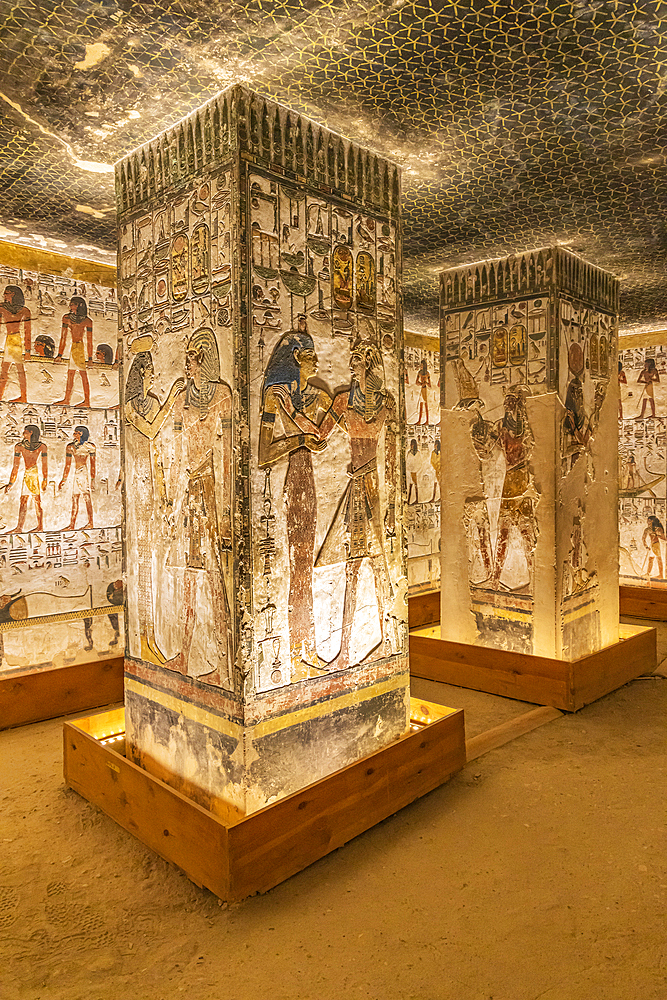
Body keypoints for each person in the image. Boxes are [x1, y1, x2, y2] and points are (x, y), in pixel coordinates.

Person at [314, 341, 398, 670]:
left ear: (371, 364)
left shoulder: (386, 403)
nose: (354, 364)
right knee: (353, 567)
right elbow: (320, 436)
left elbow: (392, 453)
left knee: (373, 567)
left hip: (372, 488)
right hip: (357, 487)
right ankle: (348, 649)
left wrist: (393, 504)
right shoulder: (343, 399)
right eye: (354, 358)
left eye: (361, 359)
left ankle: (382, 643)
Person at [258, 316, 330, 681]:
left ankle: (306, 645)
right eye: (308, 355)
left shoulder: (312, 395)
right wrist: (301, 440)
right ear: (295, 357)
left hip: (310, 480)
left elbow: (324, 431)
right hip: (294, 481)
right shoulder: (277, 395)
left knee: (306, 567)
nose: (315, 361)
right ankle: (297, 648)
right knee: (299, 567)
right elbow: (263, 452)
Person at [167, 327, 235, 687]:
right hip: (190, 492)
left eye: (193, 363)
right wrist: (173, 499)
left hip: (210, 487)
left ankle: (225, 663)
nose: (188, 369)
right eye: (187, 363)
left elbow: (225, 454)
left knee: (216, 580)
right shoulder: (182, 399)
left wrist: (224, 510)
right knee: (189, 578)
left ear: (205, 363)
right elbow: (179, 452)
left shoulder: (222, 395)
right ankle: (184, 650)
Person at [124, 337, 185, 666]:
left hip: (152, 481)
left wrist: (166, 492)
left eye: (152, 373)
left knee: (153, 564)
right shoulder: (134, 406)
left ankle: (151, 638)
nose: (152, 378)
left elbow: (160, 451)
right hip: (138, 483)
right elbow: (149, 432)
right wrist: (171, 399)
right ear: (139, 375)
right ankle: (145, 640)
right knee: (144, 564)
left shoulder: (152, 402)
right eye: (148, 372)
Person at [471, 386, 536, 590]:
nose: (508, 407)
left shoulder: (525, 427)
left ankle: (534, 577)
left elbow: (532, 449)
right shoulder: (500, 426)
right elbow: (487, 449)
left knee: (526, 533)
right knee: (503, 533)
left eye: (511, 403)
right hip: (509, 482)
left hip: (522, 480)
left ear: (517, 405)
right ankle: (495, 579)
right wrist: (477, 433)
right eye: (506, 403)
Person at [1, 425, 48, 532]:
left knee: (36, 501)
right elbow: (15, 466)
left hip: (33, 474)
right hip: (28, 474)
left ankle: (40, 527)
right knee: (24, 500)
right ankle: (19, 527)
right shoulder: (19, 446)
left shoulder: (41, 446)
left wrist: (45, 480)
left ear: (31, 433)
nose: (23, 433)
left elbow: (45, 465)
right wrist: (11, 483)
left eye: (25, 432)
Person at [55, 296, 93, 406]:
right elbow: (63, 337)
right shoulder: (66, 318)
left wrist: (90, 358)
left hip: (80, 348)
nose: (70, 306)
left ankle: (87, 401)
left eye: (73, 304)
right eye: (71, 304)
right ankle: (67, 399)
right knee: (70, 373)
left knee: (82, 373)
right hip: (73, 347)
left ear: (79, 306)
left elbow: (89, 341)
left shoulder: (87, 321)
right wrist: (59, 354)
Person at [58, 425, 96, 530]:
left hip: (83, 473)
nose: (74, 434)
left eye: (77, 432)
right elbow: (68, 465)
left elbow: (93, 465)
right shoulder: (70, 447)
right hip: (76, 474)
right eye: (74, 432)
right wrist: (64, 479)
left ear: (82, 434)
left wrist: (92, 480)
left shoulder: (90, 446)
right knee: (75, 498)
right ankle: (72, 525)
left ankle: (90, 523)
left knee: (86, 498)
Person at [0, 285, 31, 403]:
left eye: (6, 293)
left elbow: (28, 331)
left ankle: (23, 397)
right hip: (9, 339)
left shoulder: (24, 310)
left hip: (16, 340)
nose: (4, 295)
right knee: (9, 369)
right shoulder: (2, 308)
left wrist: (27, 351)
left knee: (15, 369)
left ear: (13, 294)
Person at [643, 515, 666, 580]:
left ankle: (661, 574)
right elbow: (643, 538)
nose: (647, 522)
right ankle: (648, 573)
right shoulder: (647, 529)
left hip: (656, 545)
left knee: (659, 559)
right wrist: (646, 546)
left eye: (649, 520)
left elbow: (664, 538)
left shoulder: (658, 529)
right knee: (651, 559)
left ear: (652, 521)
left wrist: (658, 535)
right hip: (652, 545)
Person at [415, 358, 431, 424]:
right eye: (420, 365)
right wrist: (421, 383)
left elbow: (429, 385)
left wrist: (426, 383)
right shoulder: (419, 373)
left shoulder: (427, 373)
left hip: (426, 390)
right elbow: (416, 382)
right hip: (421, 389)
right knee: (421, 405)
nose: (421, 367)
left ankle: (427, 420)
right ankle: (419, 420)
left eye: (422, 365)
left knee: (426, 405)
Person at [406, 438, 420, 504]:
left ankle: (416, 499)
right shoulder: (409, 453)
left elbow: (420, 463)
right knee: (411, 486)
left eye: (414, 444)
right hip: (410, 471)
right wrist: (410, 469)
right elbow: (407, 462)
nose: (412, 446)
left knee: (415, 485)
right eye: (412, 444)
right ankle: (409, 500)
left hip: (416, 472)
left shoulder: (418, 453)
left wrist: (416, 470)